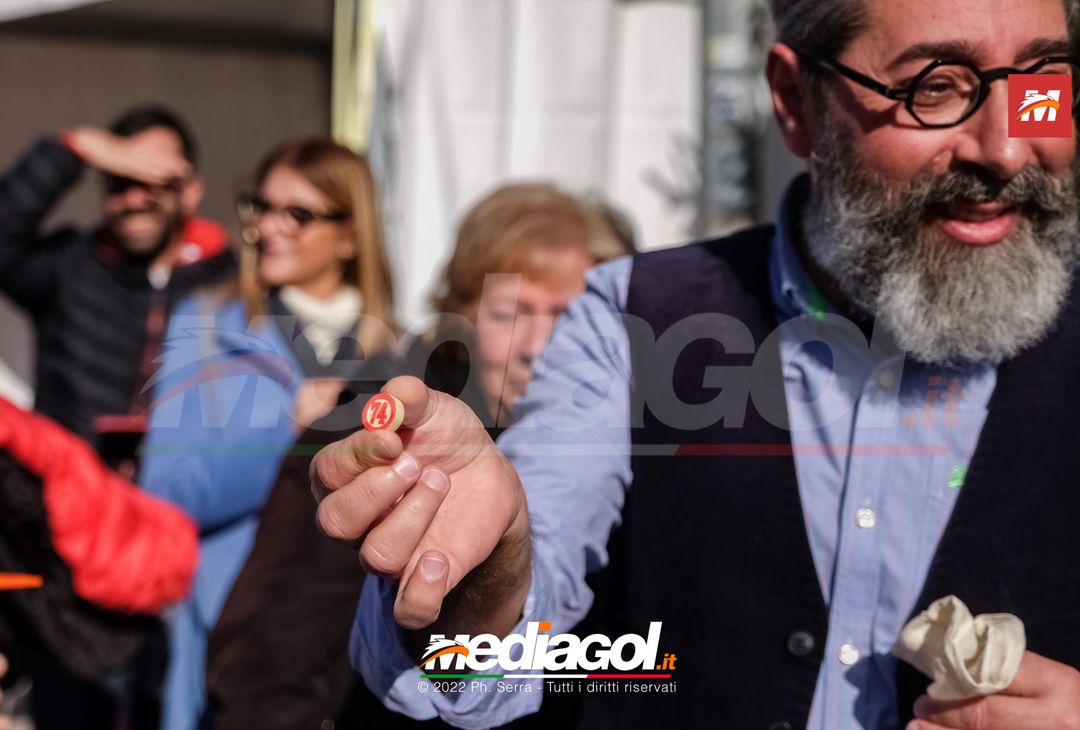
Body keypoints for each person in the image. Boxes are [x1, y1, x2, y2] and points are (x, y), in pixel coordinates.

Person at [310, 0, 1080, 728]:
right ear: (795, 100)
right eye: (935, 89)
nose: (1009, 146)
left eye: (1045, 80)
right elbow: (493, 661)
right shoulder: (636, 316)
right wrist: (490, 562)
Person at [206, 182, 628, 729]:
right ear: (464, 311)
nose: (538, 345)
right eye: (515, 312)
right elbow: (276, 631)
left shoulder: (622, 437)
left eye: (566, 318)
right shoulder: (386, 414)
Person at [139, 138, 398, 730]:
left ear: (351, 234)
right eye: (261, 208)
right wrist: (287, 434)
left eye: (298, 214)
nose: (268, 229)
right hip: (235, 639)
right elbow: (163, 492)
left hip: (354, 649)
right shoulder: (205, 326)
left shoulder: (397, 350)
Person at [0, 105, 234, 475]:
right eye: (119, 180)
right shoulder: (67, 266)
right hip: (67, 499)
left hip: (183, 509)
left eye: (152, 179)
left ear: (190, 190)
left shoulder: (230, 282)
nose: (134, 199)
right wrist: (77, 147)